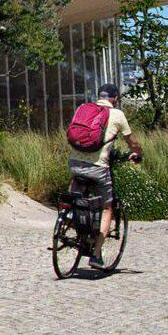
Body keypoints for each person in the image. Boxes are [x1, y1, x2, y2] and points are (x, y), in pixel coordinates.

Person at [64, 82, 140, 239]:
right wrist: (138, 153)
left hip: (75, 164)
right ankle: (97, 254)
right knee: (107, 208)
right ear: (116, 98)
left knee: (77, 180)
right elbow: (131, 142)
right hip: (98, 167)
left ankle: (69, 212)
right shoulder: (117, 114)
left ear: (99, 96)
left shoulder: (82, 108)